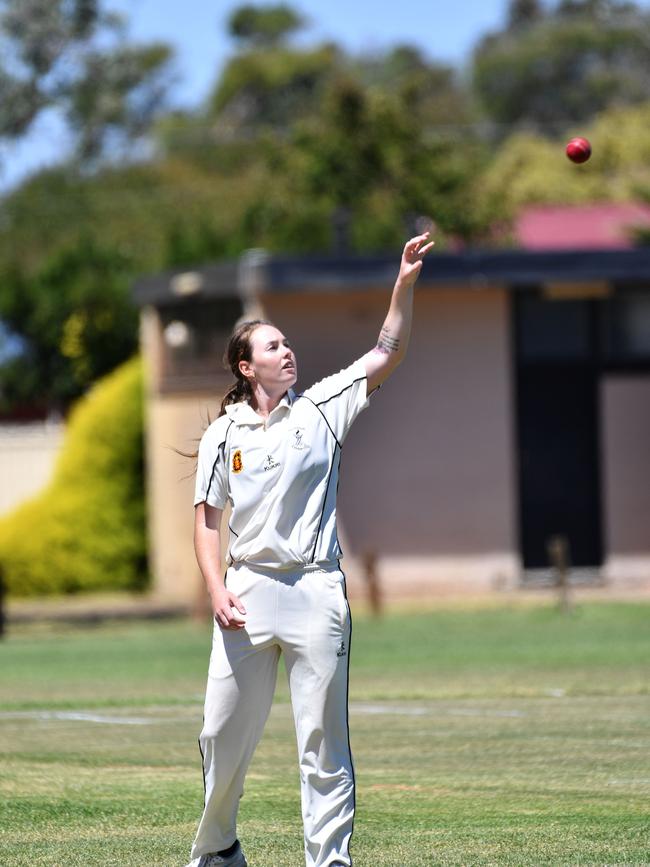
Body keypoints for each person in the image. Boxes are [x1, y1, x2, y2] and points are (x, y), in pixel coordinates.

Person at [186, 232, 434, 867]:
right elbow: (207, 521)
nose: (287, 351)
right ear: (247, 367)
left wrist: (402, 284)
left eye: (288, 343)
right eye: (273, 346)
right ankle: (218, 850)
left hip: (316, 589)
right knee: (220, 734)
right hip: (245, 593)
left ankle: (329, 861)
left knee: (322, 742)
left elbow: (387, 354)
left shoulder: (323, 406)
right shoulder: (222, 434)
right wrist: (217, 590)